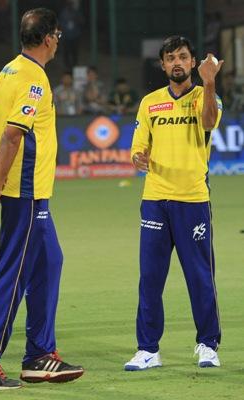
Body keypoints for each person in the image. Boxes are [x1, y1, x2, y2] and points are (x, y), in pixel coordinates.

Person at [0, 8, 84, 390]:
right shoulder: (34, 79)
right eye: (57, 35)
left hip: (31, 194)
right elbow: (12, 134)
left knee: (50, 262)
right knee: (11, 275)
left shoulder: (8, 71)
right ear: (49, 38)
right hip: (23, 193)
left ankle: (39, 356)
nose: (58, 41)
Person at [125, 36, 223, 371]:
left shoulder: (205, 97)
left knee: (199, 276)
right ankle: (148, 349)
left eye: (183, 57)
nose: (176, 62)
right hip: (154, 200)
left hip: (193, 200)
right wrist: (138, 156)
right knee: (150, 278)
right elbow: (139, 146)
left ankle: (208, 344)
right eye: (170, 58)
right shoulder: (150, 103)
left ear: (193, 62)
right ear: (163, 65)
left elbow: (209, 122)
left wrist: (209, 84)